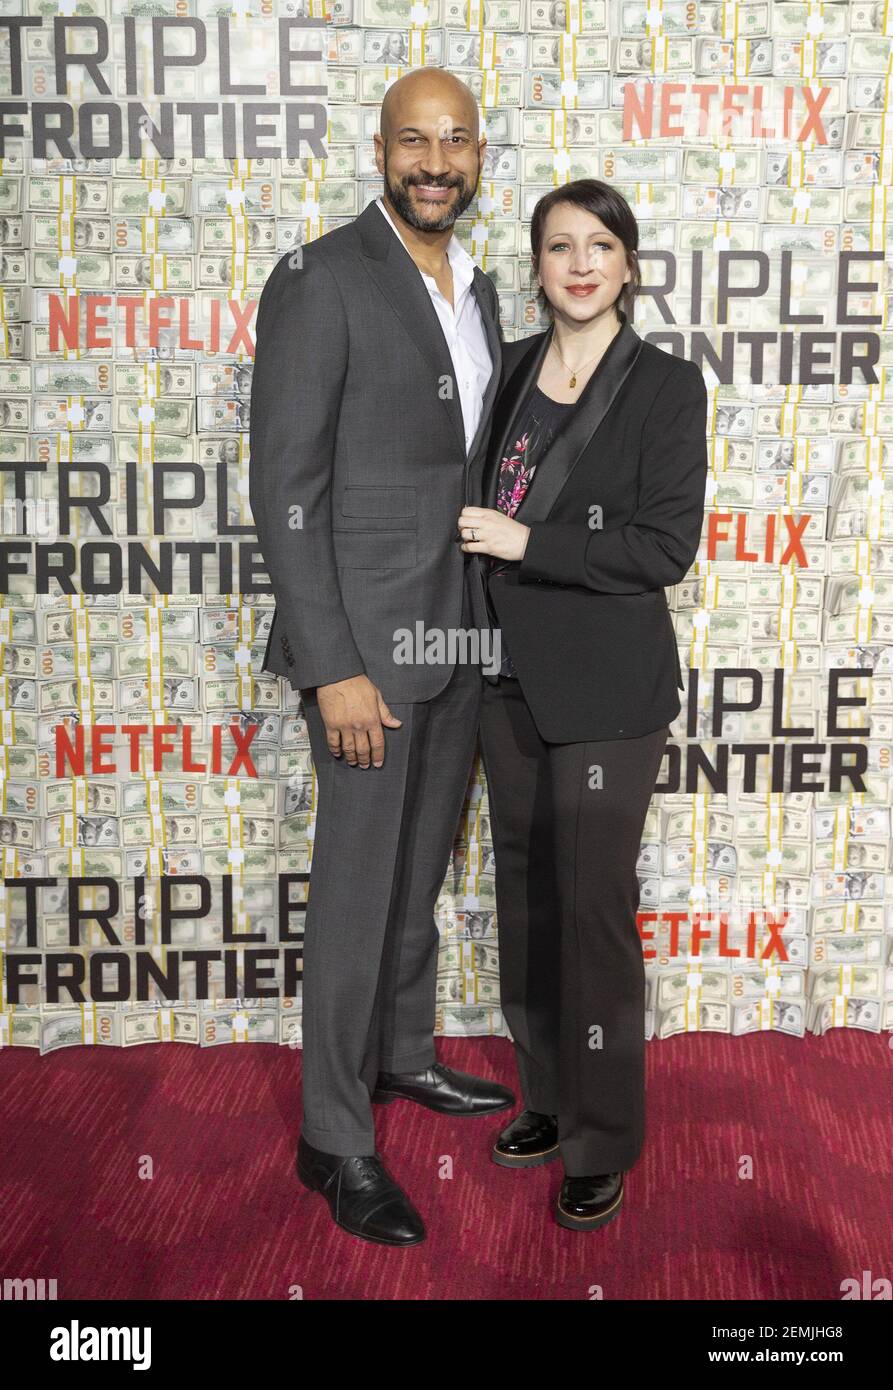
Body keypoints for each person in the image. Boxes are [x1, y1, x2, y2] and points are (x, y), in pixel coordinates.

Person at [249, 69, 512, 1248]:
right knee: (356, 896)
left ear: (476, 154)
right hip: (366, 644)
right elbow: (286, 490)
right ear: (378, 149)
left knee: (416, 877)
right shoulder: (320, 279)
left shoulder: (477, 286)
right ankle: (333, 1137)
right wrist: (331, 665)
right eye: (414, 140)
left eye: (454, 140)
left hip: (457, 630)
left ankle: (404, 1058)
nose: (435, 161)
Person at [458, 179, 708, 1231]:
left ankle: (602, 1134)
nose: (577, 262)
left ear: (627, 261)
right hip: (505, 677)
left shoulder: (662, 385)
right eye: (558, 245)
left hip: (607, 691)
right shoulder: (511, 367)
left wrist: (530, 545)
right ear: (537, 264)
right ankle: (550, 1098)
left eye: (597, 244)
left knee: (590, 910)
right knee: (528, 896)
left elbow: (662, 546)